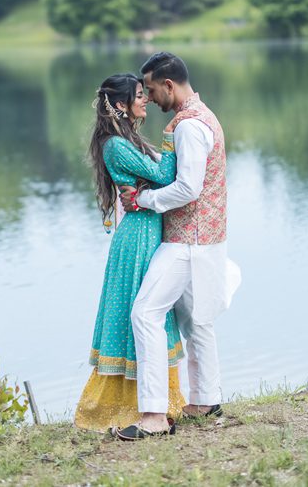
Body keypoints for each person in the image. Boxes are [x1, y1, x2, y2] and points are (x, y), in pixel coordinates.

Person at [116, 52, 240, 441]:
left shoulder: (188, 126)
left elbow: (189, 188)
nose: (149, 98)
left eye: (151, 89)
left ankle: (154, 416)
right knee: (196, 320)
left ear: (168, 84)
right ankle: (206, 400)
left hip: (187, 240)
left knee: (144, 313)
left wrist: (143, 201)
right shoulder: (205, 115)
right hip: (208, 238)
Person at [74, 73, 186, 432]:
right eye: (139, 96)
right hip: (137, 238)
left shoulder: (128, 139)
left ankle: (160, 403)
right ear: (120, 105)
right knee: (139, 312)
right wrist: (172, 139)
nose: (146, 101)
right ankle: (127, 406)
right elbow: (163, 175)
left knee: (153, 311)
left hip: (147, 229)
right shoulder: (116, 146)